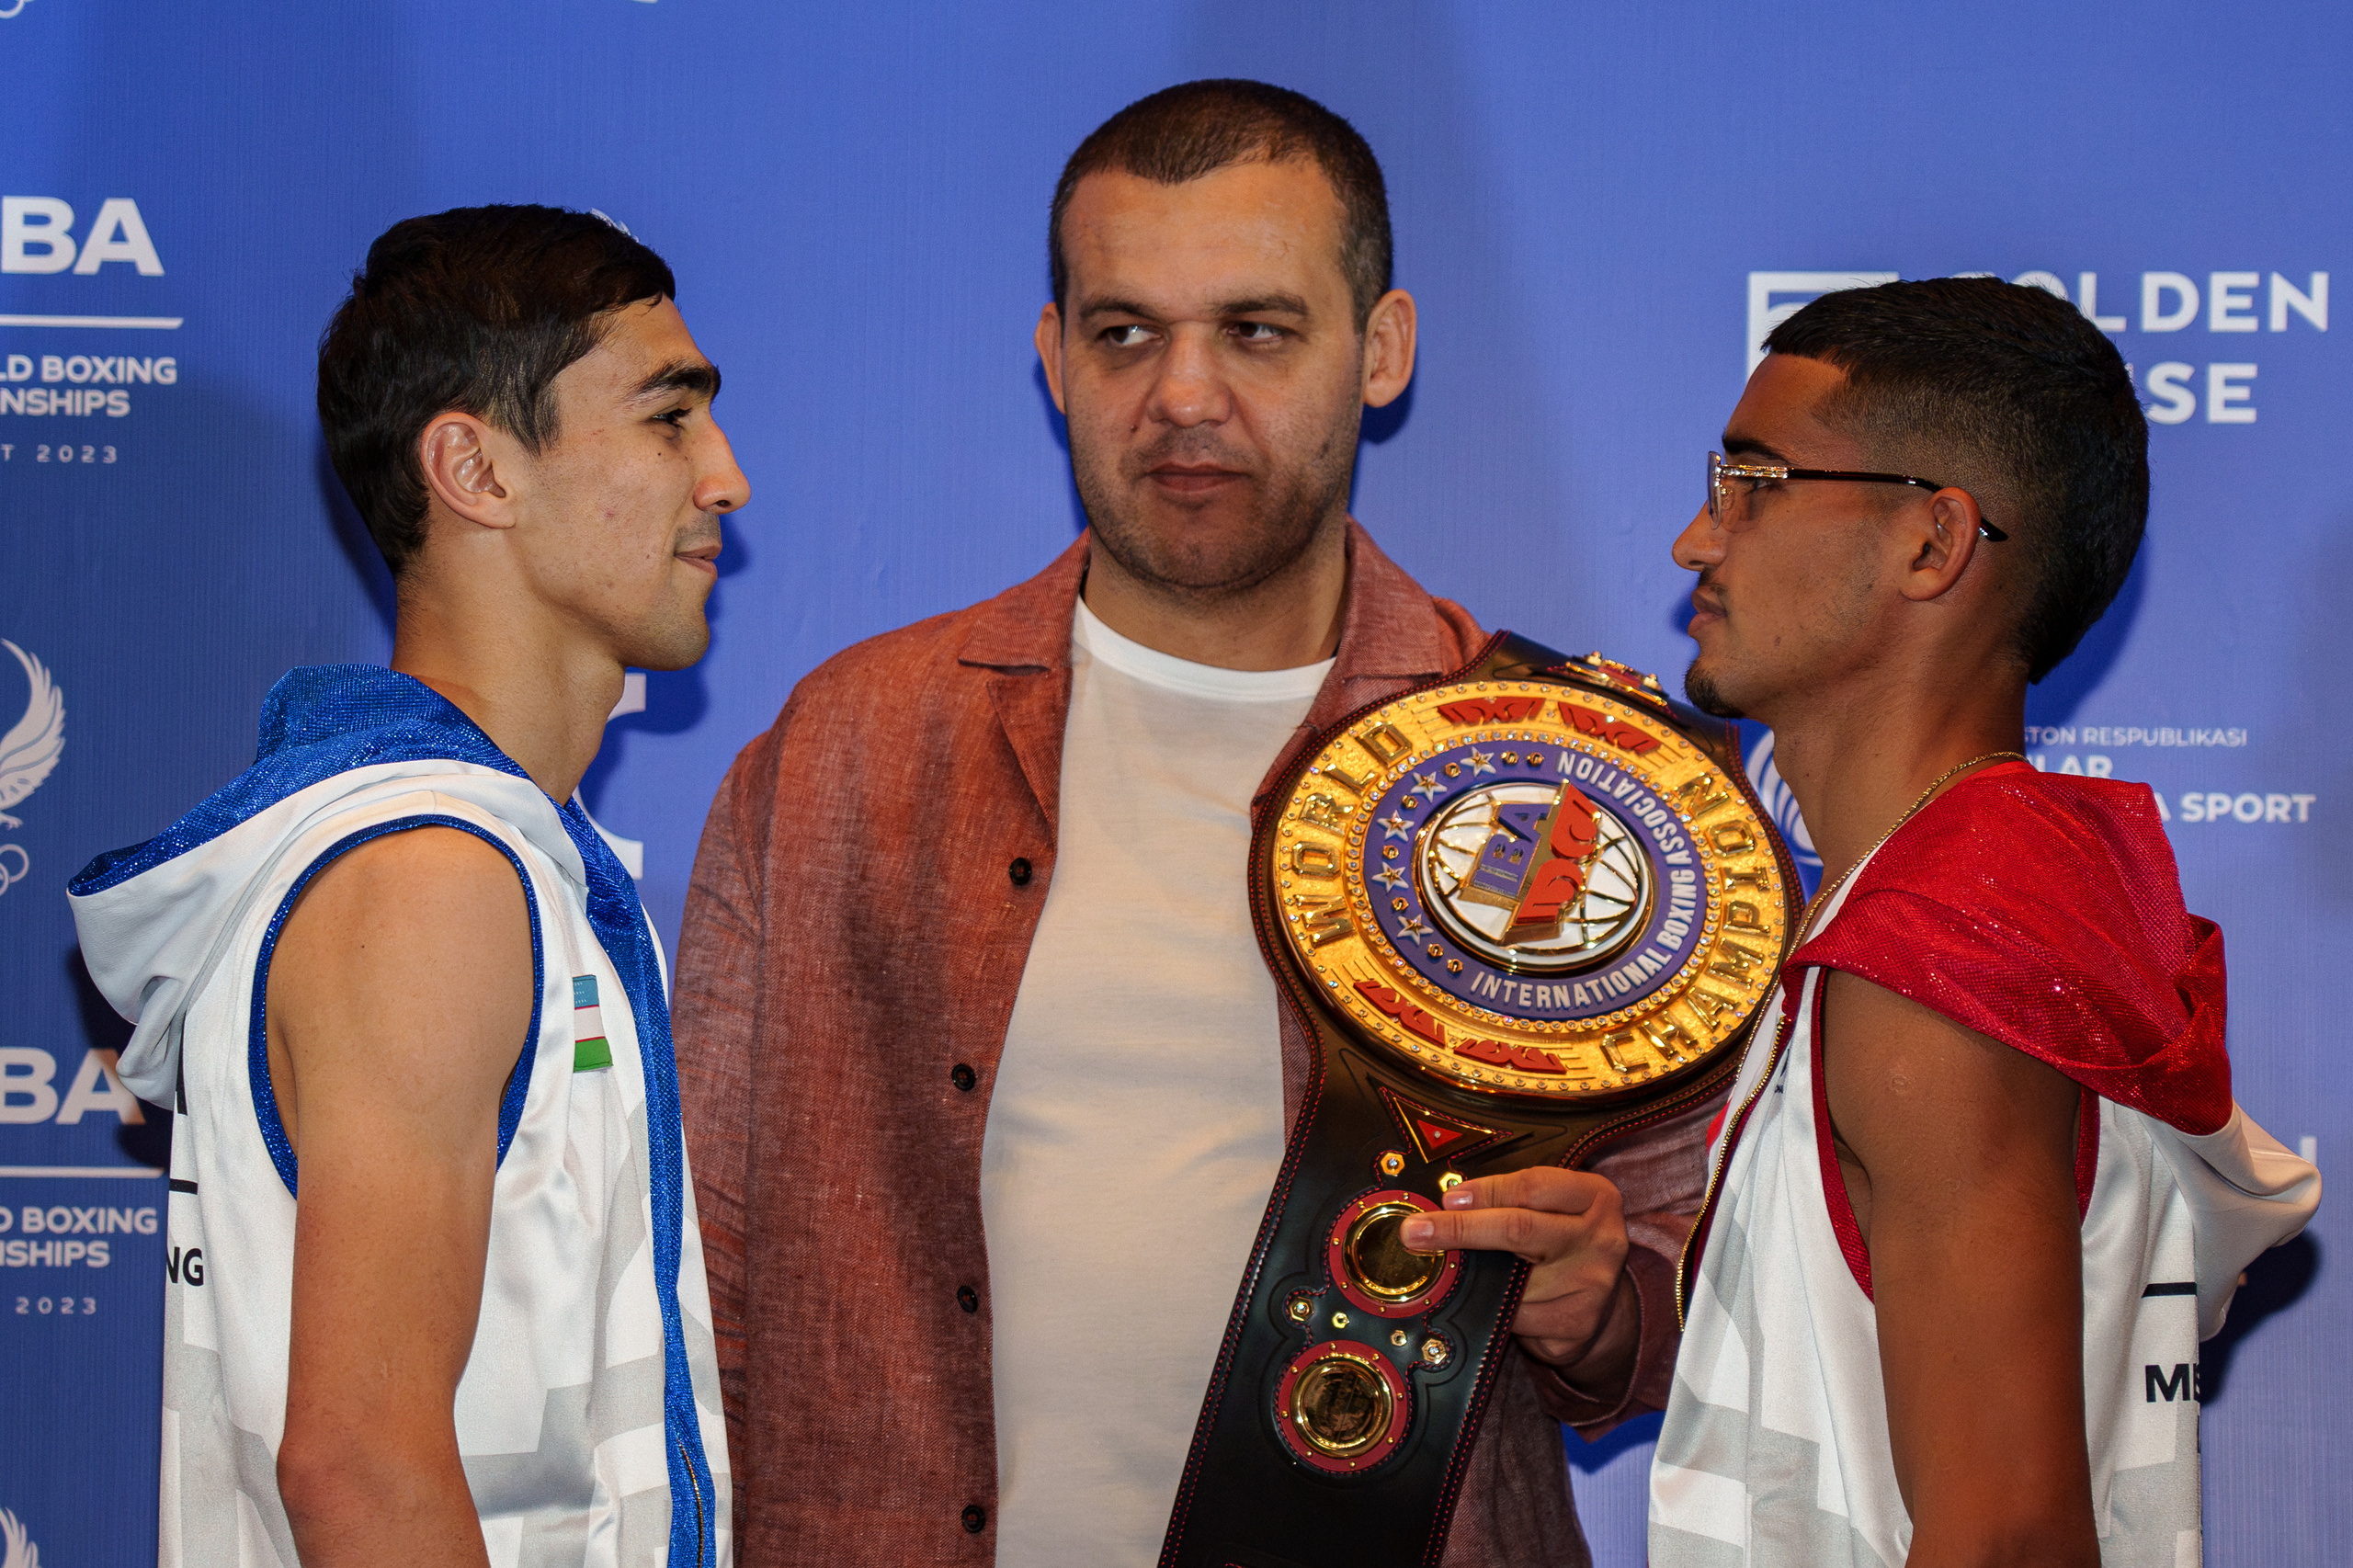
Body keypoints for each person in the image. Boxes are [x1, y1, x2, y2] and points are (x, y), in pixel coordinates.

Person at [674, 79, 1710, 1568]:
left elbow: (1677, 1289)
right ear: (1053, 357)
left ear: (1384, 349)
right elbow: (702, 1280)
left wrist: (1599, 1305)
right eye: (1125, 332)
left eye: (1258, 330)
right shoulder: (845, 747)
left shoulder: (1565, 773)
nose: (1183, 394)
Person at [68, 205, 749, 1568]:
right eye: (668, 417)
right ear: (474, 469)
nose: (724, 476)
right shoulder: (431, 879)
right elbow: (362, 1468)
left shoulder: (478, 855)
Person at [1647, 276, 2320, 1567]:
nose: (1695, 538)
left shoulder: (1937, 954)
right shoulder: (1985, 905)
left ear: (1932, 542)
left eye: (1752, 481)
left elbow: (2007, 1537)